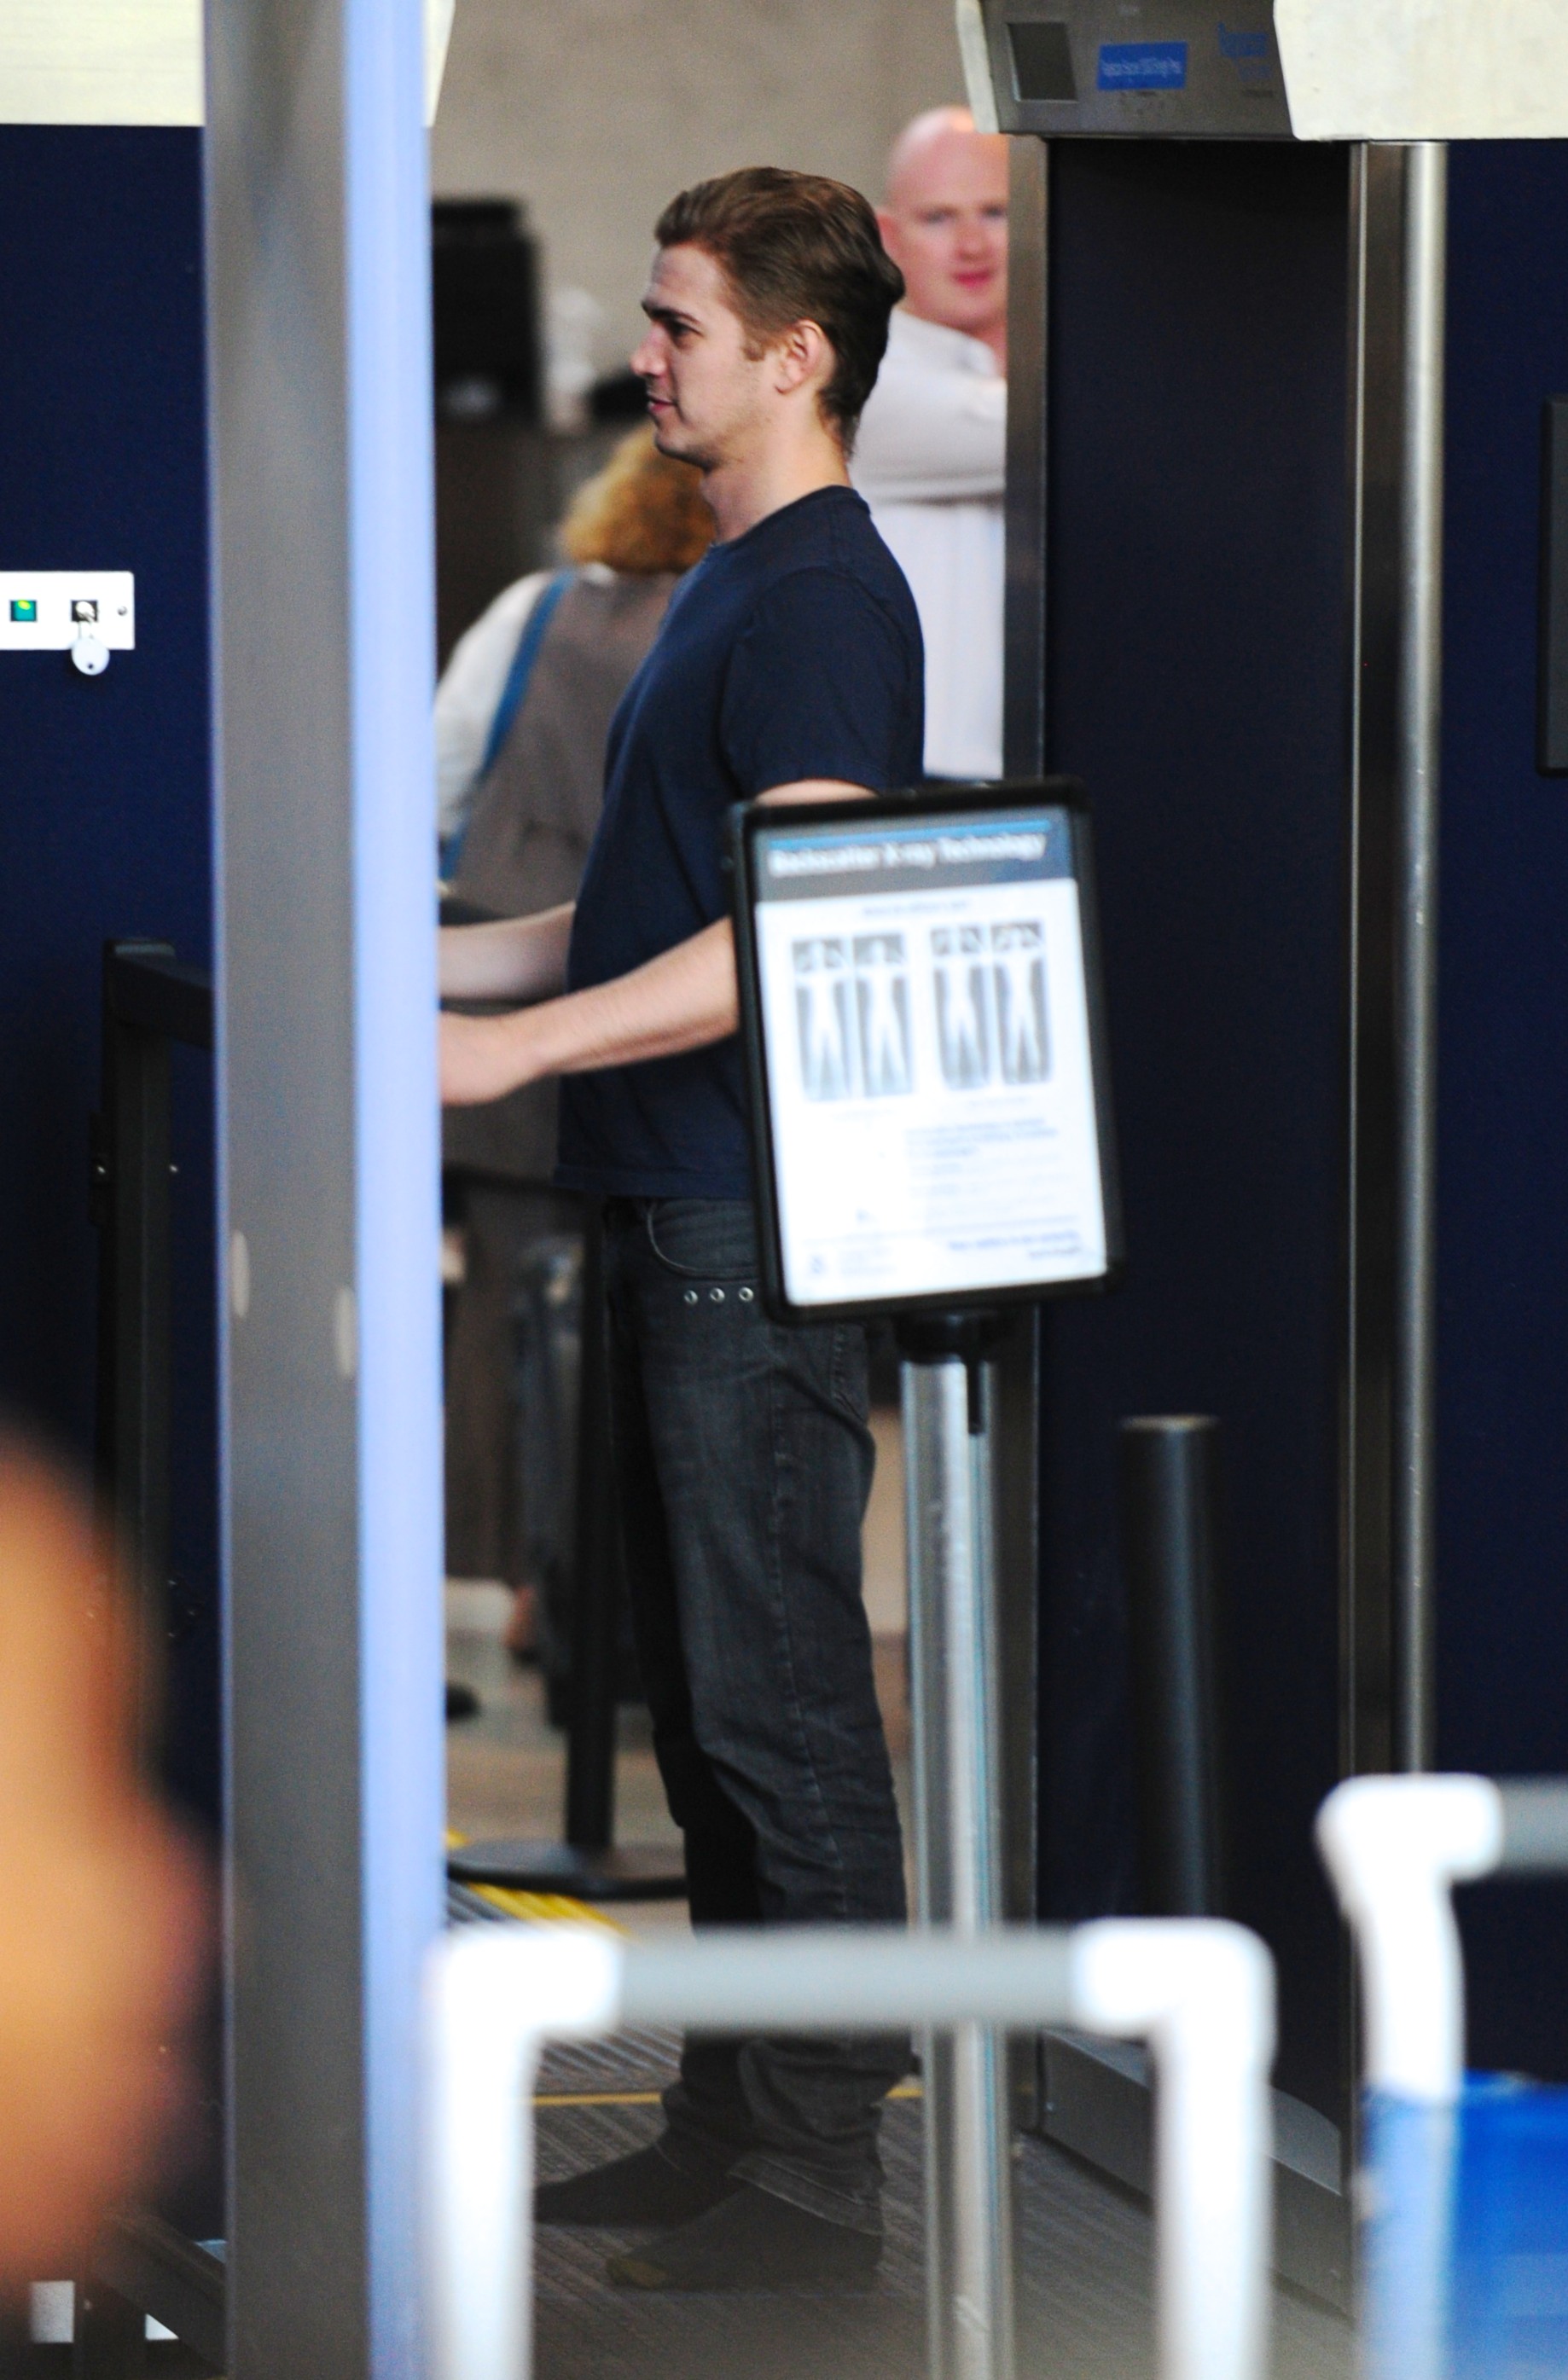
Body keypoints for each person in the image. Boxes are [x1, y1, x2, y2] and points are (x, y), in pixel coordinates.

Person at [438, 165, 920, 2291]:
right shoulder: (730, 576)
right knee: (710, 1714)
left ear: (793, 356)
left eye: (676, 325)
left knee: (777, 1707)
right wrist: (423, 972)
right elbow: (642, 910)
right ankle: (726, 2127)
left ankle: (814, 2182)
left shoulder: (817, 597)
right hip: (668, 1203)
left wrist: (511, 1049)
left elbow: (781, 930)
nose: (642, 357)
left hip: (743, 1217)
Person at [438, 431, 711, 1661]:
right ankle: (635, 1598)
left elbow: (439, 774)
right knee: (651, 1309)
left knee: (510, 1308)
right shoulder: (728, 625)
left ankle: (531, 1587)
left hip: (504, 999)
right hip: (672, 1019)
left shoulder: (533, 610)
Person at [851, 104, 1008, 781]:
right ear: (889, 237)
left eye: (996, 212)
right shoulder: (863, 376)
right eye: (939, 218)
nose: (972, 246)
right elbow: (1042, 430)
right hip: (916, 783)